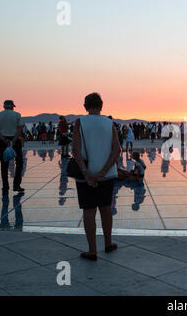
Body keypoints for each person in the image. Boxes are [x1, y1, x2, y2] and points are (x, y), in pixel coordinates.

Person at [72, 93, 121, 261]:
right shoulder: (110, 123)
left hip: (86, 175)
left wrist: (86, 173)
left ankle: (92, 250)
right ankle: (108, 243)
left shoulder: (80, 122)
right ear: (101, 106)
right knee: (106, 208)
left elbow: (76, 150)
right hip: (107, 175)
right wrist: (103, 171)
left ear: (85, 106)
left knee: (89, 211)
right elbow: (117, 150)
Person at [0, 100, 25, 194]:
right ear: (12, 106)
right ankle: (16, 185)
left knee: (4, 165)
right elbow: (20, 129)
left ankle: (5, 187)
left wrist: (3, 139)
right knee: (19, 162)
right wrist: (14, 140)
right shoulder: (17, 115)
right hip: (15, 141)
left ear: (4, 106)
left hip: (3, 141)